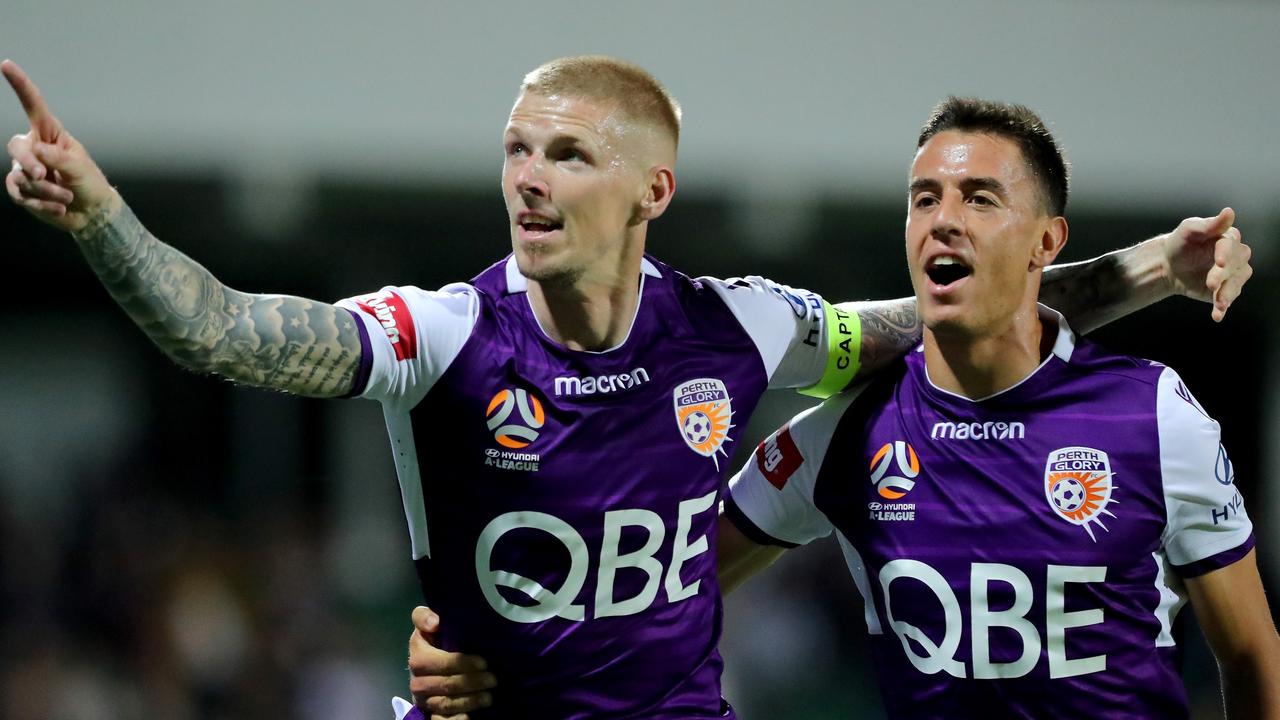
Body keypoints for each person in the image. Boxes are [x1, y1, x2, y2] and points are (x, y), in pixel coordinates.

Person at [2, 55, 1253, 719]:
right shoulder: (441, 335)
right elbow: (221, 331)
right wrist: (101, 217)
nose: (528, 181)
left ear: (649, 191)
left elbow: (967, 310)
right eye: (515, 153)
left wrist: (1154, 266)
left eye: (566, 154)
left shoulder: (739, 330)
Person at [404, 97, 1271, 720]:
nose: (943, 221)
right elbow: (656, 580)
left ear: (1046, 241)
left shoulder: (1150, 414)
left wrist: (1161, 265)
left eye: (979, 199)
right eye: (924, 198)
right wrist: (483, 650)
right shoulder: (844, 434)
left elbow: (1248, 653)